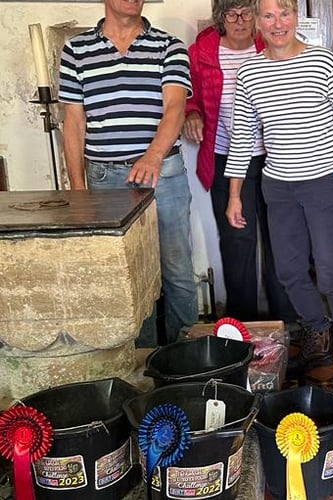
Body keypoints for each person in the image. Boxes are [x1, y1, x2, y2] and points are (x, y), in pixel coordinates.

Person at [224, 0, 333, 403]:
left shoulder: (323, 63)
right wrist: (235, 195)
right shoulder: (250, 72)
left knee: (329, 274)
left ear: (297, 18)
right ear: (257, 22)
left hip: (325, 181)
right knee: (290, 272)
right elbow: (242, 137)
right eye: (269, 16)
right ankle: (317, 330)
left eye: (285, 13)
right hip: (279, 186)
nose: (278, 23)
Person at [59, 0, 198, 345]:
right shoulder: (76, 50)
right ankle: (143, 360)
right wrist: (78, 189)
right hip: (105, 179)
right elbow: (74, 121)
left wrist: (152, 156)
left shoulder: (169, 46)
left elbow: (175, 107)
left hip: (162, 173)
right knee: (128, 273)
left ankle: (188, 357)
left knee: (177, 270)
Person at [182, 0, 296, 324]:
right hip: (226, 158)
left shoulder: (270, 45)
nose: (240, 20)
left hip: (276, 158)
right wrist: (192, 114)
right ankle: (242, 325)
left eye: (247, 12)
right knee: (237, 240)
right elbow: (190, 96)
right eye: (231, 14)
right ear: (220, 18)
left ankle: (285, 319)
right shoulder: (202, 52)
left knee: (280, 237)